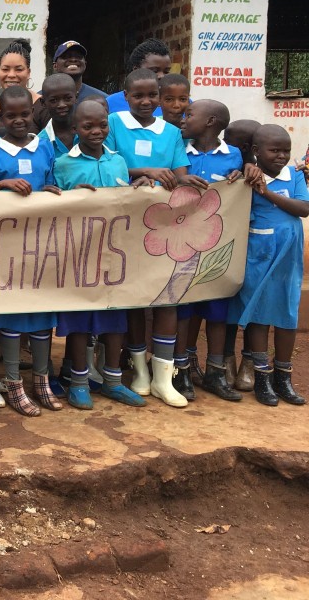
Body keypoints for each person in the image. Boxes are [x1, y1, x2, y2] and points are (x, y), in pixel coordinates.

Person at [52, 101, 147, 410]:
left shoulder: (118, 161)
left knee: (114, 318)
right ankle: (79, 381)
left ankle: (113, 380)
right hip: (78, 254)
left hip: (114, 253)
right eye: (88, 126)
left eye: (102, 126)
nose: (96, 132)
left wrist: (142, 187)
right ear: (76, 129)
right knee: (79, 319)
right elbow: (52, 204)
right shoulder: (63, 163)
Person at [0, 85, 62, 417]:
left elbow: (50, 181)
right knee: (12, 313)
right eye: (10, 115)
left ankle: (40, 381)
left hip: (40, 245)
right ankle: (13, 383)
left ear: (34, 113)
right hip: (5, 248)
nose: (19, 120)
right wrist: (1, 185)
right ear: (1, 116)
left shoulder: (45, 147)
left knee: (41, 314)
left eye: (25, 114)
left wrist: (53, 190)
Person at [105, 68, 190, 408]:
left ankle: (162, 378)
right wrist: (146, 172)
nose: (146, 101)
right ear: (125, 96)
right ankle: (139, 371)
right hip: (124, 224)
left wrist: (173, 180)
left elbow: (181, 175)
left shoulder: (171, 132)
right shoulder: (112, 124)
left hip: (166, 226)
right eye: (138, 96)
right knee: (136, 298)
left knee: (167, 296)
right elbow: (107, 165)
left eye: (152, 95)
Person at [228, 124, 309, 406]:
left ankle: (283, 376)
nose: (281, 156)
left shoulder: (294, 176)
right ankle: (262, 376)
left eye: (285, 150)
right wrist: (254, 183)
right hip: (259, 252)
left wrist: (267, 193)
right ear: (256, 152)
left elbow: (304, 208)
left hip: (288, 254)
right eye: (274, 150)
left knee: (287, 314)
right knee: (259, 313)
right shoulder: (246, 178)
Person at [175, 100, 249, 403]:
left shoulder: (234, 156)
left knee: (218, 313)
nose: (183, 118)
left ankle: (216, 371)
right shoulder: (180, 152)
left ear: (211, 122)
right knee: (184, 311)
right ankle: (181, 370)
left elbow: (242, 187)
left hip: (219, 250)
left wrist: (243, 175)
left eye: (190, 115)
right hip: (183, 247)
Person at [224, 118, 262, 391]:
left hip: (256, 250)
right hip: (225, 248)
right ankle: (225, 359)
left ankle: (248, 361)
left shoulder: (262, 172)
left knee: (253, 306)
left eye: (232, 140)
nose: (226, 144)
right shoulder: (230, 168)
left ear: (247, 146)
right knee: (227, 305)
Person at [107, 38, 172, 114]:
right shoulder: (110, 103)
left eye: (166, 72)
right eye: (154, 71)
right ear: (136, 70)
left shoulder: (179, 102)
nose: (162, 76)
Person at [37, 73, 78, 158]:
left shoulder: (91, 133)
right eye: (54, 100)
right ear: (43, 102)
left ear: (76, 97)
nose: (62, 105)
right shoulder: (40, 144)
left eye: (67, 98)